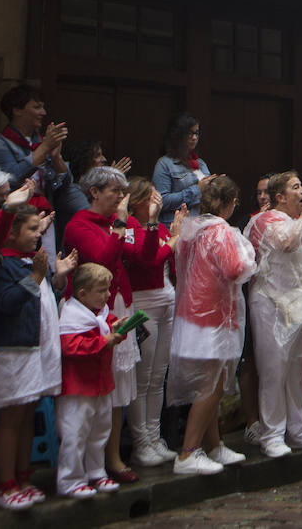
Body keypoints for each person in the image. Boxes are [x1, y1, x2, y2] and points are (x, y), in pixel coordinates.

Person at [168, 175, 256, 474]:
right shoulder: (221, 231)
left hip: (192, 317)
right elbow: (235, 269)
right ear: (231, 204)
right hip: (215, 318)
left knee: (208, 384)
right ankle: (188, 452)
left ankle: (214, 445)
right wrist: (249, 253)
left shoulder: (192, 228)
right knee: (212, 386)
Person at [0, 202, 69, 511]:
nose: (39, 234)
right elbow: (6, 302)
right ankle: (4, 484)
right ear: (10, 232)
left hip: (36, 349)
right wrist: (35, 276)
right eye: (32, 229)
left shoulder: (31, 261)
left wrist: (53, 276)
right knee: (10, 418)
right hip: (14, 350)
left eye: (40, 228)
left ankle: (23, 477)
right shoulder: (3, 265)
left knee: (26, 414)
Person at [61, 164, 141, 482]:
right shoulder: (79, 225)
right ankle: (84, 468)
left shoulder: (115, 223)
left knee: (118, 383)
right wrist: (120, 225)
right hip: (90, 309)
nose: (121, 199)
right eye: (115, 192)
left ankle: (111, 457)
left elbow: (135, 255)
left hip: (117, 302)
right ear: (94, 193)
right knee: (98, 384)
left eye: (123, 193)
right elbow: (101, 258)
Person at [246, 171, 302, 458]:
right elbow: (285, 243)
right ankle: (272, 434)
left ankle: (297, 428)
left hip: (298, 304)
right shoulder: (264, 220)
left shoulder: (300, 223)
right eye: (296, 187)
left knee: (295, 368)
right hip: (270, 302)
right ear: (280, 197)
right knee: (273, 368)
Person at [123, 177, 181, 467]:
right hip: (143, 302)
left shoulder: (159, 228)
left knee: (159, 376)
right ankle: (141, 442)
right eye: (151, 198)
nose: (156, 203)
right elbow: (148, 260)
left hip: (166, 300)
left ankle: (155, 437)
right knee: (142, 377)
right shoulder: (133, 226)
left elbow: (166, 258)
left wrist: (171, 239)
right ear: (136, 203)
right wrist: (170, 241)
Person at [56, 263, 126, 499]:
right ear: (83, 293)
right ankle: (70, 478)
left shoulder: (101, 313)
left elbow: (108, 329)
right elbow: (70, 346)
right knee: (75, 432)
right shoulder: (72, 315)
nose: (107, 296)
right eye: (102, 291)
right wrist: (103, 341)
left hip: (101, 384)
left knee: (100, 430)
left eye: (107, 290)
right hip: (78, 386)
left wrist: (118, 329)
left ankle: (95, 470)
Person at [0, 83, 71, 211]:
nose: (43, 113)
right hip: (12, 217)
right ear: (17, 110)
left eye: (43, 107)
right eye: (37, 107)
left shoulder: (41, 142)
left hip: (45, 214)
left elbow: (65, 186)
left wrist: (56, 157)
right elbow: (12, 178)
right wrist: (45, 147)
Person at [153, 112, 212, 225]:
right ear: (178, 135)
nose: (194, 138)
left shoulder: (200, 164)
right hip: (175, 227)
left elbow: (208, 197)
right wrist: (196, 190)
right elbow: (161, 201)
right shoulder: (164, 164)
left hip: (198, 225)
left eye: (196, 133)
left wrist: (216, 185)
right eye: (190, 134)